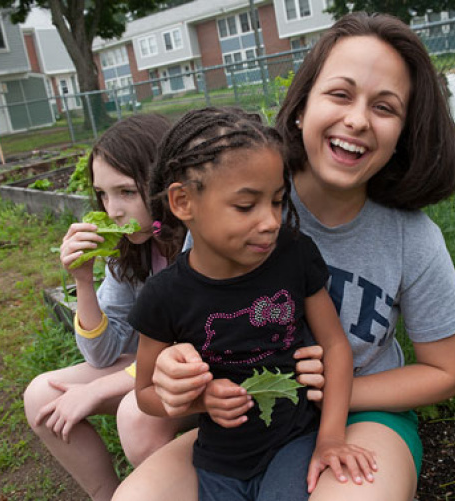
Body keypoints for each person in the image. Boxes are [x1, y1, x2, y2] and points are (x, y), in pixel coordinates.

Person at [113, 11, 455, 501]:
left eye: (385, 107)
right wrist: (180, 369)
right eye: (340, 94)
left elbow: (447, 371)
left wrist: (328, 393)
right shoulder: (226, 207)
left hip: (366, 416)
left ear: (404, 132)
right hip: (250, 421)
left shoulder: (412, 238)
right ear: (302, 106)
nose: (358, 119)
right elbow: (190, 314)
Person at [128, 107, 377, 501]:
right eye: (246, 206)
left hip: (297, 440)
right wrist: (201, 400)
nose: (271, 221)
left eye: (277, 201)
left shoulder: (294, 255)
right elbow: (145, 393)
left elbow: (335, 346)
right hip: (219, 461)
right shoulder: (164, 296)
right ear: (182, 201)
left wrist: (331, 438)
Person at [23, 114, 194, 501]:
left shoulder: (198, 242)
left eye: (127, 192)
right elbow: (102, 353)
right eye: (103, 194)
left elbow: (192, 347)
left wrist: (100, 390)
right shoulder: (133, 249)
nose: (112, 209)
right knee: (41, 395)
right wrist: (83, 280)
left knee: (135, 415)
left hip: (204, 370)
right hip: (152, 370)